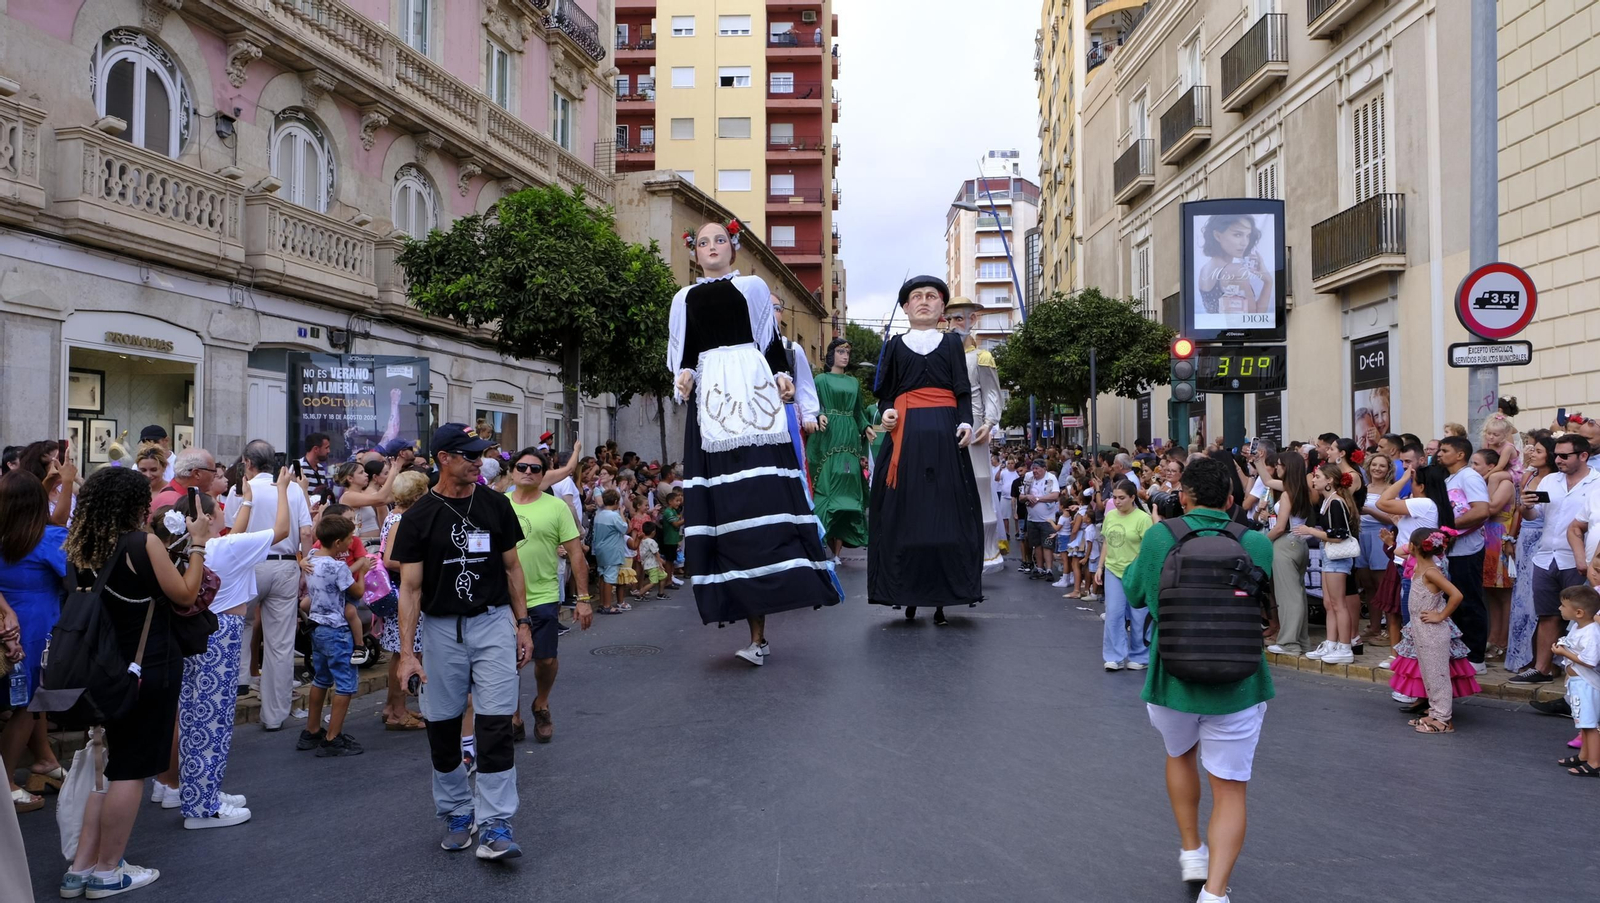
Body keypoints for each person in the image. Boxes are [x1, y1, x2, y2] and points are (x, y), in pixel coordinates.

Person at [668, 220, 840, 663]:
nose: (711, 247)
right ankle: (750, 626)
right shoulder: (682, 298)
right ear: (694, 252)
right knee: (724, 507)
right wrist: (683, 377)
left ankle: (766, 622)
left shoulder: (753, 288)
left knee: (762, 498)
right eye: (702, 242)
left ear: (733, 247)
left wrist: (782, 377)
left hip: (756, 396)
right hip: (712, 404)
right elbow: (684, 354)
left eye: (718, 240)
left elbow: (768, 343)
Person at [1123, 454, 1274, 903]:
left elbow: (1134, 591)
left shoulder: (1158, 537)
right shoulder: (1256, 542)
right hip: (1239, 683)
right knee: (1230, 788)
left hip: (1171, 678)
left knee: (1179, 753)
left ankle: (1192, 848)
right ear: (1230, 499)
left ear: (1183, 497)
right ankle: (1216, 892)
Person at [60, 466, 211, 899]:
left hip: (101, 665)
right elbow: (185, 593)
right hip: (148, 665)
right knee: (130, 768)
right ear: (132, 504)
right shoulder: (139, 542)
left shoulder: (81, 546)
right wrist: (198, 543)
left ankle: (81, 867)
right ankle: (109, 870)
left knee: (107, 767)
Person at [393, 424, 532, 860]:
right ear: (443, 459)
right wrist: (407, 655)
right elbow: (410, 590)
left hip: (492, 624)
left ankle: (495, 823)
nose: (478, 462)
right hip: (439, 630)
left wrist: (522, 624)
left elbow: (512, 569)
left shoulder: (495, 505)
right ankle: (457, 810)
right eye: (469, 455)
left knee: (494, 726)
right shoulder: (418, 517)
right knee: (442, 728)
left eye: (479, 455)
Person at [149, 469, 294, 829]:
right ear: (210, 517)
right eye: (220, 510)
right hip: (220, 632)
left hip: (194, 633)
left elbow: (238, 531)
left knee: (194, 715)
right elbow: (281, 532)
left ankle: (195, 790)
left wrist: (245, 498)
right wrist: (285, 492)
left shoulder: (185, 547)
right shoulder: (226, 546)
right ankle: (202, 805)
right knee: (210, 720)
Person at [868, 275, 983, 626]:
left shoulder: (952, 344)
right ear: (905, 307)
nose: (923, 301)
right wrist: (886, 412)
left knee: (948, 516)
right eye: (916, 297)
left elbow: (962, 391)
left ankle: (942, 599)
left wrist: (965, 423)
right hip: (905, 436)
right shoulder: (894, 345)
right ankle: (906, 594)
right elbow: (885, 394)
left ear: (941, 307)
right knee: (903, 517)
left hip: (946, 439)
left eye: (932, 296)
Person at [505, 446, 593, 743]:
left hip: (543, 594)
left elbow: (576, 554)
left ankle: (541, 703)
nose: (528, 472)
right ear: (512, 471)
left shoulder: (556, 507)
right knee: (507, 662)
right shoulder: (498, 505)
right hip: (502, 597)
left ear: (544, 474)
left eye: (535, 468)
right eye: (522, 467)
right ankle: (512, 714)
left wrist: (583, 600)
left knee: (544, 660)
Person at [232, 441, 315, 732]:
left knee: (240, 627)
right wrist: (304, 566)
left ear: (247, 462)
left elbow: (233, 532)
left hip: (250, 563)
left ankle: (240, 683)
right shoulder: (291, 488)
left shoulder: (241, 491)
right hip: (285, 564)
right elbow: (306, 532)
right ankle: (274, 715)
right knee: (281, 645)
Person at [0, 471, 68, 814]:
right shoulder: (47, 538)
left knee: (23, 702)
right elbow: (74, 570)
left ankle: (43, 762)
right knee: (28, 705)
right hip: (38, 625)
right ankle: (7, 780)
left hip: (6, 624)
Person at [1513, 434, 1597, 684]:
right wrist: (1525, 506)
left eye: (1564, 455)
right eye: (1556, 455)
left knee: (1583, 617)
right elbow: (1533, 515)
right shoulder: (1550, 480)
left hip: (1579, 559)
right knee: (1547, 614)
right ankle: (1543, 668)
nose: (1557, 459)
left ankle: (1579, 671)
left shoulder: (1597, 483)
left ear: (1583, 456)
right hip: (1546, 556)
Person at [296, 513, 371, 757]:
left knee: (321, 678)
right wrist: (363, 570)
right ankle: (333, 737)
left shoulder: (311, 558)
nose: (352, 542)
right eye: (349, 539)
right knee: (346, 684)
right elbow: (357, 592)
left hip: (317, 627)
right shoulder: (338, 567)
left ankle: (312, 730)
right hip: (337, 630)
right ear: (338, 542)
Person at [1390, 528, 1476, 733]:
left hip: (1432, 632)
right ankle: (1435, 711)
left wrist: (1440, 615)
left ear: (1412, 547)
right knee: (1428, 674)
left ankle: (1444, 719)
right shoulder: (1420, 568)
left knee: (1437, 675)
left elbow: (1456, 595)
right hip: (1421, 630)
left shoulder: (1431, 572)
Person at [942, 298, 1005, 573]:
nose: (956, 324)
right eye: (951, 318)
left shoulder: (981, 357)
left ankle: (985, 552)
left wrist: (989, 423)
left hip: (976, 424)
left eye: (961, 318)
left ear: (973, 321)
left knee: (979, 484)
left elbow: (992, 392)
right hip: (946, 426)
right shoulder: (942, 355)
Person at [806, 338, 873, 556]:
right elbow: (812, 405)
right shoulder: (820, 380)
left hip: (849, 438)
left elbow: (858, 412)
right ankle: (821, 542)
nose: (845, 355)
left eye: (848, 352)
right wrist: (819, 414)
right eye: (841, 351)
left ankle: (837, 552)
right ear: (831, 354)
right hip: (827, 437)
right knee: (828, 487)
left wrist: (866, 427)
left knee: (848, 489)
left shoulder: (853, 383)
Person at [377, 470, 429, 729]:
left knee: (401, 653)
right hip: (402, 593)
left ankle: (393, 706)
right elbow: (389, 559)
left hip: (400, 592)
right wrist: (422, 563)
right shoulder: (400, 520)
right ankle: (398, 712)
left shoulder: (396, 516)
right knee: (405, 654)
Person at [1436, 436, 1491, 669]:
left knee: (1469, 602)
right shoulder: (1449, 479)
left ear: (1460, 454)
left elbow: (1481, 511)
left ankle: (1476, 656)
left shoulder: (1469, 476)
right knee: (1454, 602)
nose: (1439, 454)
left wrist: (1448, 526)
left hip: (1467, 550)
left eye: (1445, 450)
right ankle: (1459, 654)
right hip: (1451, 551)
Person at [1301, 464, 1360, 664]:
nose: (1314, 480)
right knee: (1329, 603)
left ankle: (1345, 646)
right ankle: (1331, 642)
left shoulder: (1336, 502)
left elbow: (1339, 535)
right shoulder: (1327, 502)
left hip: (1337, 558)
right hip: (1329, 556)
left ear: (1329, 481)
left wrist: (1311, 531)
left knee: (1338, 603)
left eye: (1318, 476)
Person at [1507, 434, 1556, 674]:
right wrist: (1511, 537)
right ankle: (1520, 656)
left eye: (1538, 451)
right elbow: (1520, 510)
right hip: (1525, 538)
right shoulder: (1529, 475)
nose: (1532, 454)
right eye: (1532, 451)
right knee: (1521, 598)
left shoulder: (1556, 479)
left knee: (1536, 599)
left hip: (1544, 538)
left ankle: (1539, 659)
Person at [1097, 480, 1152, 671]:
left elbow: (1147, 548)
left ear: (1132, 498)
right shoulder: (1110, 515)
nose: (1117, 501)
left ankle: (1141, 656)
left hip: (1135, 572)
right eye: (1114, 497)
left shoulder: (1143, 519)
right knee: (1113, 613)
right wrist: (1100, 567)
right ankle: (1114, 656)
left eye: (1121, 498)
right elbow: (1106, 542)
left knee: (1139, 616)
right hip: (1113, 569)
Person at [1266, 452, 1314, 655]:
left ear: (1287, 468)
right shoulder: (1303, 489)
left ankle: (1289, 643)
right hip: (1301, 544)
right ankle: (1301, 641)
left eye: (1279, 465)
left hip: (1286, 543)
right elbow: (1267, 480)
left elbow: (1279, 527)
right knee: (1298, 594)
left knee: (1288, 597)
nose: (1276, 468)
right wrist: (1259, 461)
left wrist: (1261, 541)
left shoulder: (1287, 493)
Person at [1554, 585, 1600, 775]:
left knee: (1590, 726)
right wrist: (1563, 645)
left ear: (1579, 612)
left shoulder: (1591, 632)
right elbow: (1573, 646)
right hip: (1577, 683)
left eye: (1563, 606)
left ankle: (1595, 763)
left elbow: (1590, 661)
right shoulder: (1577, 627)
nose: (1559, 608)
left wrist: (1563, 652)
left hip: (1586, 684)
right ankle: (1584, 755)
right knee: (1583, 723)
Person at [1476, 448, 1517, 661]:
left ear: (1491, 467)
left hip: (1500, 536)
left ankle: (1505, 641)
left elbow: (1490, 508)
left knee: (1504, 593)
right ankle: (1493, 637)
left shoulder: (1505, 483)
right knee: (1490, 592)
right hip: (1486, 537)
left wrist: (1490, 481)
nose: (1473, 468)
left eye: (1477, 464)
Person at [1358, 452, 1399, 647]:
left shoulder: (1391, 490)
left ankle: (1389, 629)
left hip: (1380, 535)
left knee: (1383, 583)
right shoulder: (1363, 488)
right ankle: (1374, 626)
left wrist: (1369, 511)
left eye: (1382, 466)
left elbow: (1393, 519)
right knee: (1367, 584)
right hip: (1361, 535)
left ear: (1388, 469)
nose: (1377, 469)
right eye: (1374, 465)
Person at [1021, 459, 1061, 580]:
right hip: (1032, 519)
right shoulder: (1029, 478)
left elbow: (1055, 495)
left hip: (1047, 519)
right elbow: (1021, 497)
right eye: (1033, 468)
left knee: (1047, 545)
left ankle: (1049, 569)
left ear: (1044, 468)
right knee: (1036, 545)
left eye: (1037, 468)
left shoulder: (1050, 478)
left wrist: (1038, 499)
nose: (1035, 471)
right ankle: (1039, 568)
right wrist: (1027, 496)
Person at [299, 432, 333, 501]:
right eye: (326, 448)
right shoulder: (298, 467)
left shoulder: (321, 469)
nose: (329, 451)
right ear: (316, 449)